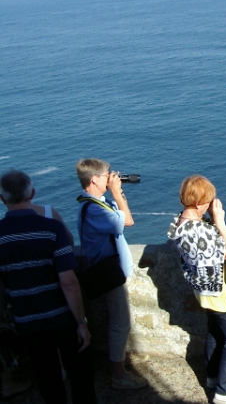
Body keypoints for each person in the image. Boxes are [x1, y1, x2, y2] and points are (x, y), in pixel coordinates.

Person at [0, 170, 96, 403]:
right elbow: (68, 281)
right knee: (80, 374)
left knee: (48, 379)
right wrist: (81, 322)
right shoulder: (51, 228)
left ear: (2, 199)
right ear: (32, 193)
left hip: (27, 321)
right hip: (63, 317)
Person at [167, 175, 226, 404]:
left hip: (204, 290)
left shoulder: (180, 223)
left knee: (215, 333)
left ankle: (212, 377)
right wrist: (220, 222)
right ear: (200, 202)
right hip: (220, 291)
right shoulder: (196, 230)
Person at [76, 158, 147, 390]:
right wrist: (117, 193)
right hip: (107, 271)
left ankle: (119, 362)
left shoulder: (99, 203)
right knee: (120, 322)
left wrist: (116, 194)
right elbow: (127, 221)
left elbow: (126, 219)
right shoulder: (95, 209)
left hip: (110, 269)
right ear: (94, 179)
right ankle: (119, 375)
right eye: (107, 175)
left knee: (116, 320)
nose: (112, 177)